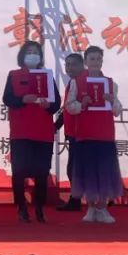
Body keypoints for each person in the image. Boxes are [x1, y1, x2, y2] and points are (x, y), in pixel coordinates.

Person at [3, 41, 61, 222]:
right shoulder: (14, 75)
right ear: (22, 56)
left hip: (43, 132)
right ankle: (21, 207)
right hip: (21, 132)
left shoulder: (47, 76)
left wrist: (49, 105)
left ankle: (39, 208)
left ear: (40, 57)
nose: (32, 55)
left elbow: (56, 103)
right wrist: (23, 99)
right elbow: (8, 99)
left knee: (42, 172)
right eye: (28, 52)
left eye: (35, 52)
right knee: (19, 171)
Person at [67, 45, 123, 223]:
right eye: (92, 59)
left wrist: (112, 101)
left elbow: (117, 110)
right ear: (85, 61)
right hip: (85, 133)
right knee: (88, 171)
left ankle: (103, 208)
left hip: (105, 134)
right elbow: (70, 106)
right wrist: (82, 104)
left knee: (105, 171)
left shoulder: (110, 83)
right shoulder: (76, 82)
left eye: (99, 59)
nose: (96, 62)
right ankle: (91, 208)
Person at [56, 52, 86, 212]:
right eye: (67, 65)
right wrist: (56, 126)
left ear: (82, 65)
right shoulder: (72, 83)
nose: (69, 68)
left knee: (76, 169)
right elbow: (66, 109)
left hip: (82, 133)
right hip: (73, 133)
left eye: (73, 64)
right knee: (74, 168)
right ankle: (77, 199)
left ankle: (80, 199)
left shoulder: (84, 83)